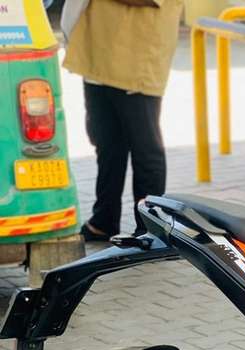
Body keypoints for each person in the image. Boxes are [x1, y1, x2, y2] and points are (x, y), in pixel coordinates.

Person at [63, 0, 183, 241]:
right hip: (97, 53)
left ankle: (151, 229)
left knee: (145, 147)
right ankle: (104, 220)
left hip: (136, 57)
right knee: (107, 144)